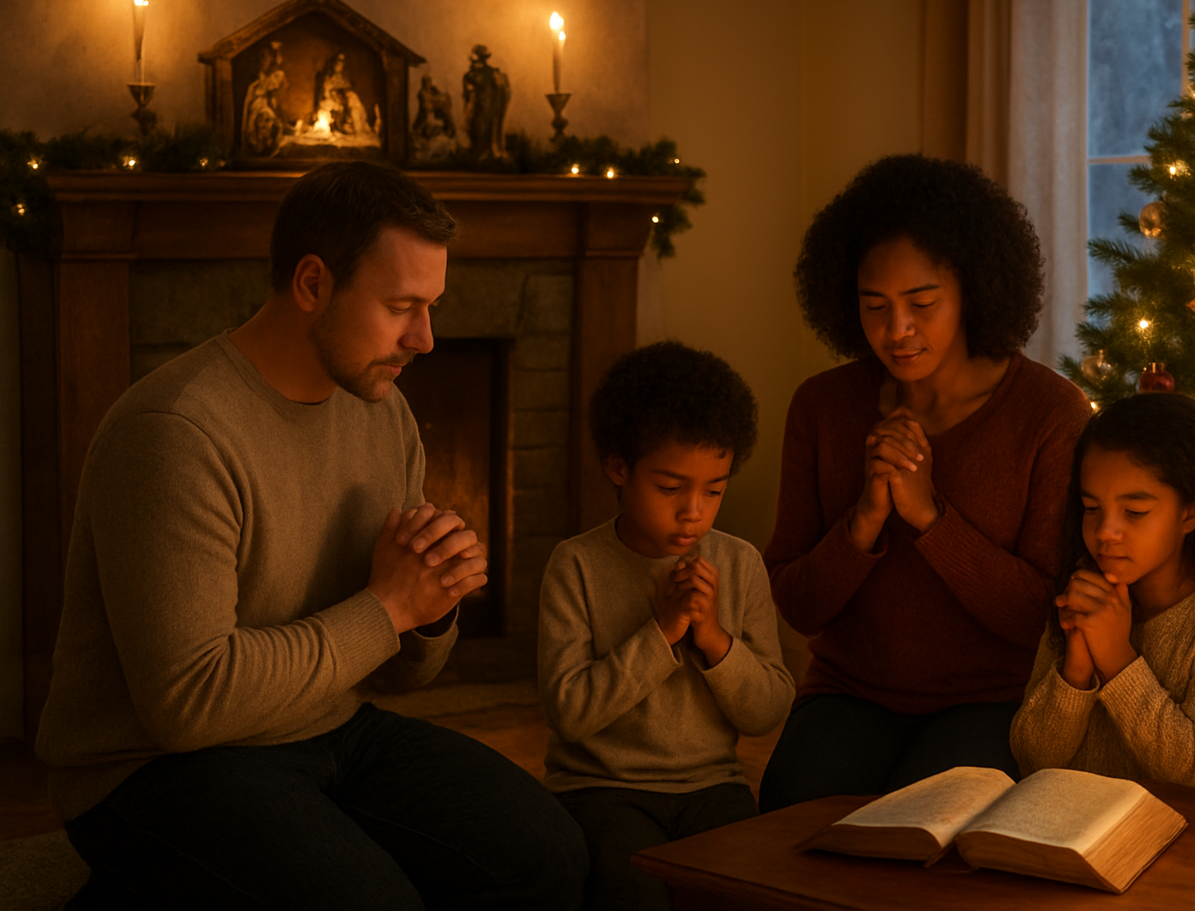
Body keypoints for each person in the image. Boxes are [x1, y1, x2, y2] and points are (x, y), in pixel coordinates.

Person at [35, 161, 587, 908]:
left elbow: (401, 675)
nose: (425, 338)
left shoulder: (381, 410)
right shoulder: (175, 433)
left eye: (432, 306)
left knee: (547, 849)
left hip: (330, 730)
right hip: (151, 768)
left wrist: (435, 604)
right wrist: (389, 608)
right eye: (401, 306)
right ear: (312, 284)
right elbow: (188, 703)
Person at [757, 154, 1092, 813]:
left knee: (917, 842)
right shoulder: (821, 407)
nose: (896, 331)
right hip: (847, 692)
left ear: (974, 288)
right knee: (787, 831)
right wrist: (862, 521)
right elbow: (796, 602)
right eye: (874, 306)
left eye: (922, 303)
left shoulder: (1051, 414)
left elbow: (1043, 614)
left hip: (991, 699)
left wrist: (932, 518)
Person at [538, 341, 795, 911]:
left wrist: (713, 640)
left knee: (744, 888)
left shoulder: (740, 563)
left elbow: (769, 710)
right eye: (670, 488)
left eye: (715, 490)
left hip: (713, 787)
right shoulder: (575, 565)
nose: (694, 512)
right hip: (601, 789)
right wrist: (661, 632)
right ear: (618, 467)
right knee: (632, 890)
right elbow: (569, 713)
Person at [1010, 393, 1195, 803]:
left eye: (1134, 512)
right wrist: (1076, 671)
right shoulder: (1083, 595)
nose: (1105, 532)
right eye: (1091, 507)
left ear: (1190, 513)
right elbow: (1031, 759)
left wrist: (1117, 659)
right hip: (1089, 835)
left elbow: (1194, 772)